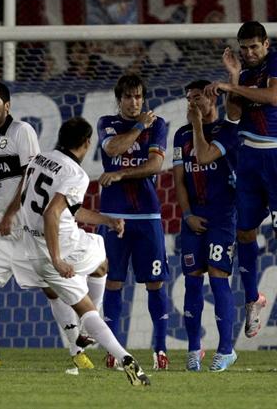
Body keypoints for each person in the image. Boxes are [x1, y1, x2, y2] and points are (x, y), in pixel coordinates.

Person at [0, 117, 150, 386]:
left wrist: (106, 220)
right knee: (102, 262)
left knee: (87, 303)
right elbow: (52, 213)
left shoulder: (39, 159)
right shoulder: (75, 174)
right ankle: (95, 334)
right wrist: (57, 258)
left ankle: (124, 358)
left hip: (32, 251)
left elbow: (68, 208)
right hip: (61, 245)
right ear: (87, 143)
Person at [0, 82, 98, 370]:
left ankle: (78, 350)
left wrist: (11, 214)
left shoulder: (22, 132)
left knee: (54, 289)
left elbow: (29, 177)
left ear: (7, 105)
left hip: (26, 225)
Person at [204, 21, 277, 340]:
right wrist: (234, 77)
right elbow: (233, 117)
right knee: (244, 232)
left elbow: (274, 97)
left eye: (253, 47)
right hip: (249, 159)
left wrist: (233, 87)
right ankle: (252, 298)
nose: (248, 53)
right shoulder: (244, 77)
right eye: (243, 48)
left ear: (266, 45)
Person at [97, 74, 171, 370]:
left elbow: (155, 165)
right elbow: (112, 149)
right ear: (120, 99)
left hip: (147, 215)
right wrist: (140, 126)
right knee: (113, 282)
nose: (134, 102)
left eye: (139, 96)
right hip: (114, 216)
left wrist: (121, 174)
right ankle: (114, 349)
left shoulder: (160, 125)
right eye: (128, 97)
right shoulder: (106, 122)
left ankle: (161, 349)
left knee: (155, 283)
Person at [173, 80, 239, 372]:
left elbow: (202, 156)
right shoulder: (180, 135)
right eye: (189, 100)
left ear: (212, 99)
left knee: (218, 275)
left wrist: (198, 125)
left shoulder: (228, 131)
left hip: (223, 215)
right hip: (194, 216)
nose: (193, 104)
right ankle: (193, 349)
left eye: (197, 98)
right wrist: (187, 215)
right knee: (192, 279)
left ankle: (226, 350)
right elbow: (179, 179)